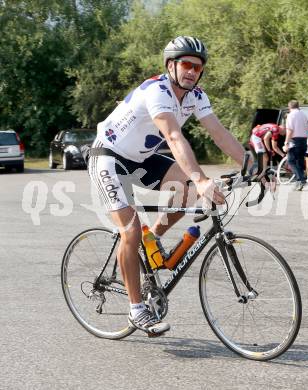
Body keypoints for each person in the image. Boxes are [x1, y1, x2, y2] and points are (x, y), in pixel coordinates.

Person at [87, 36, 247, 336]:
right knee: (130, 230)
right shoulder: (156, 91)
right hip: (109, 156)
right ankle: (136, 310)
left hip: (143, 157)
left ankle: (153, 237)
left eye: (198, 68)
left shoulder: (196, 96)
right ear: (171, 65)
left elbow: (219, 133)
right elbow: (173, 137)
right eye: (186, 64)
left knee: (185, 194)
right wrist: (201, 178)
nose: (192, 72)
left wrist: (253, 165)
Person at [283, 100, 308, 191]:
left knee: (291, 161)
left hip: (295, 140)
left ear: (289, 107)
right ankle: (299, 181)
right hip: (304, 140)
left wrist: (286, 143)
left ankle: (301, 180)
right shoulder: (303, 115)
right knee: (300, 162)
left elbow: (289, 130)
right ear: (298, 106)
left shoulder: (290, 116)